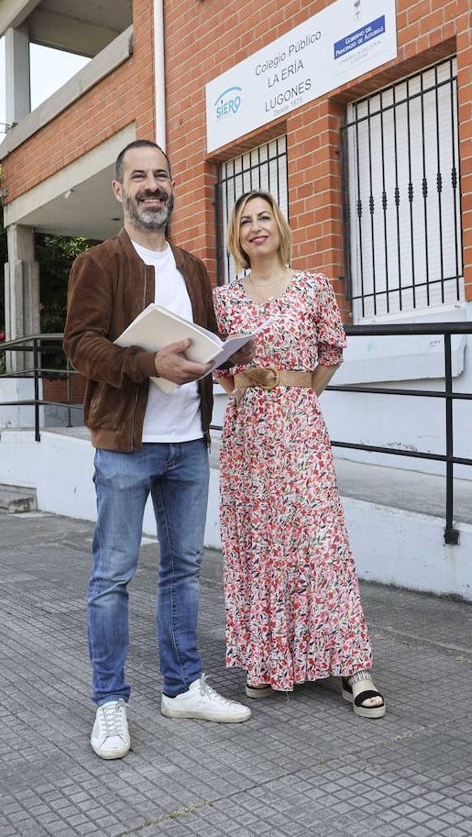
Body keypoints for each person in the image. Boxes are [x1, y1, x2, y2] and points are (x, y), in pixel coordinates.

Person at [64, 140, 254, 761]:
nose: (152, 185)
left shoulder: (195, 269)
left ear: (173, 189)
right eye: (139, 177)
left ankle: (181, 687)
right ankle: (110, 701)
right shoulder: (97, 264)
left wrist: (222, 362)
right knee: (112, 575)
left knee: (184, 570)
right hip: (125, 444)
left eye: (161, 176)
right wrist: (149, 362)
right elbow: (80, 347)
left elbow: (202, 344)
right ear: (119, 191)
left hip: (187, 445)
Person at [212, 190, 386, 719]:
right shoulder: (224, 299)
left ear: (280, 227)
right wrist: (243, 379)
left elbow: (332, 349)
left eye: (265, 217)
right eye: (245, 221)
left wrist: (301, 392)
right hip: (247, 430)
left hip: (299, 423)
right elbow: (217, 367)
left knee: (319, 537)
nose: (256, 227)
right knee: (259, 542)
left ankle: (351, 667)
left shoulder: (312, 287)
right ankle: (267, 661)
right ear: (236, 237)